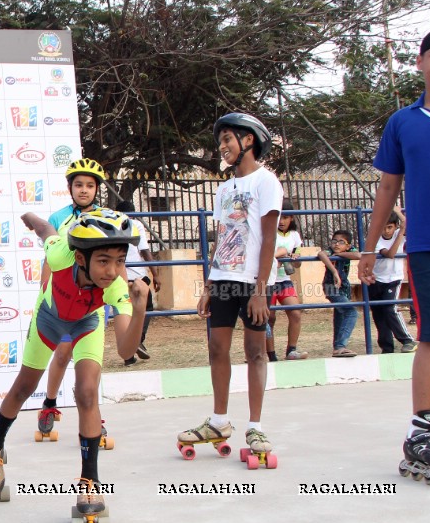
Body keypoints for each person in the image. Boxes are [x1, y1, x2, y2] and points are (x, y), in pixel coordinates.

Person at [0, 209, 148, 520]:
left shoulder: (116, 287)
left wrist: (139, 311)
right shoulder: (60, 256)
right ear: (81, 258)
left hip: (87, 323)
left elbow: (126, 349)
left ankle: (90, 480)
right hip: (50, 319)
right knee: (24, 389)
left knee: (86, 393)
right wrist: (29, 217)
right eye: (103, 261)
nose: (112, 271)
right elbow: (46, 230)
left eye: (120, 260)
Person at [359, 12, 430, 487]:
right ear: (420, 62)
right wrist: (370, 249)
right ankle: (423, 431)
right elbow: (387, 189)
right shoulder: (403, 122)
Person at [177, 113, 283, 458]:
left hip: (252, 282)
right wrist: (209, 285)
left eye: (228, 139)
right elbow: (222, 238)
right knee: (217, 349)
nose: (222, 147)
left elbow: (268, 240)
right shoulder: (224, 189)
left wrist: (260, 290)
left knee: (255, 353)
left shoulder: (266, 182)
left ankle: (255, 427)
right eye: (220, 140)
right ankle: (219, 420)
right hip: (223, 279)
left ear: (248, 140)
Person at [36, 158, 107, 435]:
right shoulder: (58, 218)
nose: (84, 190)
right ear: (70, 187)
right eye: (79, 185)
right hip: (62, 298)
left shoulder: (106, 216)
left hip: (93, 301)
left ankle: (93, 416)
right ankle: (49, 403)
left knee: (90, 362)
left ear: (96, 189)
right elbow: (49, 259)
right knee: (63, 354)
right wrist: (45, 290)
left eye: (90, 185)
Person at [115, 200, 160, 366]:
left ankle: (128, 356)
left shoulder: (111, 225)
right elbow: (145, 251)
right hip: (138, 275)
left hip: (120, 275)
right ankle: (138, 340)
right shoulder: (135, 224)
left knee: (125, 311)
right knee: (146, 307)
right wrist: (156, 274)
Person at [368, 209, 417, 354]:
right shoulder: (375, 238)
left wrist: (398, 214)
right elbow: (390, 254)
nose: (386, 231)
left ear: (395, 226)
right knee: (378, 314)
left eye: (389, 227)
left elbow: (409, 225)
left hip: (393, 279)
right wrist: (401, 232)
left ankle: (407, 340)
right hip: (376, 279)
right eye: (383, 227)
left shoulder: (399, 233)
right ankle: (387, 347)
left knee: (390, 308)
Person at [266, 201, 308, 361]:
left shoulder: (295, 236)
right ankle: (271, 355)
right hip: (268, 281)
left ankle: (291, 350)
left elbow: (297, 263)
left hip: (284, 280)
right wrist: (280, 253)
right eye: (279, 217)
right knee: (269, 318)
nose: (282, 221)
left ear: (291, 219)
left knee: (295, 313)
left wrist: (294, 257)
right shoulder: (269, 232)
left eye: (286, 217)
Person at [316, 230, 360, 358]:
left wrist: (341, 254)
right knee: (351, 311)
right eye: (334, 241)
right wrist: (334, 271)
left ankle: (337, 347)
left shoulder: (349, 250)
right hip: (331, 286)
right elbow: (321, 254)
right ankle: (341, 345)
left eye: (341, 242)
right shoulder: (330, 251)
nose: (336, 244)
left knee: (340, 314)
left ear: (348, 245)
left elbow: (358, 255)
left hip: (344, 287)